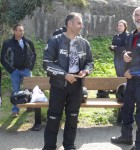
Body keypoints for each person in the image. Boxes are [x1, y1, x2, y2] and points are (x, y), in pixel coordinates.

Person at [42, 12, 94, 150]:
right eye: (79, 23)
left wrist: (86, 71)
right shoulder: (55, 41)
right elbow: (47, 63)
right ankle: (49, 146)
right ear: (69, 24)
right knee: (53, 117)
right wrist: (64, 75)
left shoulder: (84, 43)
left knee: (72, 118)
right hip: (58, 85)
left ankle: (69, 145)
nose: (81, 25)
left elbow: (90, 62)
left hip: (76, 86)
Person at [111, 6, 140, 150]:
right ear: (133, 17)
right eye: (136, 15)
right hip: (130, 82)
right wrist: (123, 55)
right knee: (126, 110)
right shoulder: (131, 35)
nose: (139, 18)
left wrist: (134, 71)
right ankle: (126, 137)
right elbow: (125, 51)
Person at [1, 24, 36, 117]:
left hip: (26, 70)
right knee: (16, 91)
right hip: (15, 71)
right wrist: (11, 70)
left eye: (23, 30)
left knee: (29, 90)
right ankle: (15, 110)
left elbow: (33, 54)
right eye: (20, 30)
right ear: (14, 31)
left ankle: (29, 107)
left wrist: (30, 67)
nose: (22, 32)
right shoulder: (8, 43)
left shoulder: (28, 42)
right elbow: (3, 58)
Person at [110, 20, 129, 125]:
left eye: (121, 25)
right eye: (118, 25)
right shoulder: (116, 36)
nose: (119, 27)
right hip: (116, 58)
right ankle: (120, 90)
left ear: (125, 27)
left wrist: (115, 48)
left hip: (123, 59)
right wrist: (111, 47)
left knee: (122, 76)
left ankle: (123, 93)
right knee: (118, 75)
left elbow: (125, 48)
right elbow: (113, 45)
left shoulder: (127, 36)